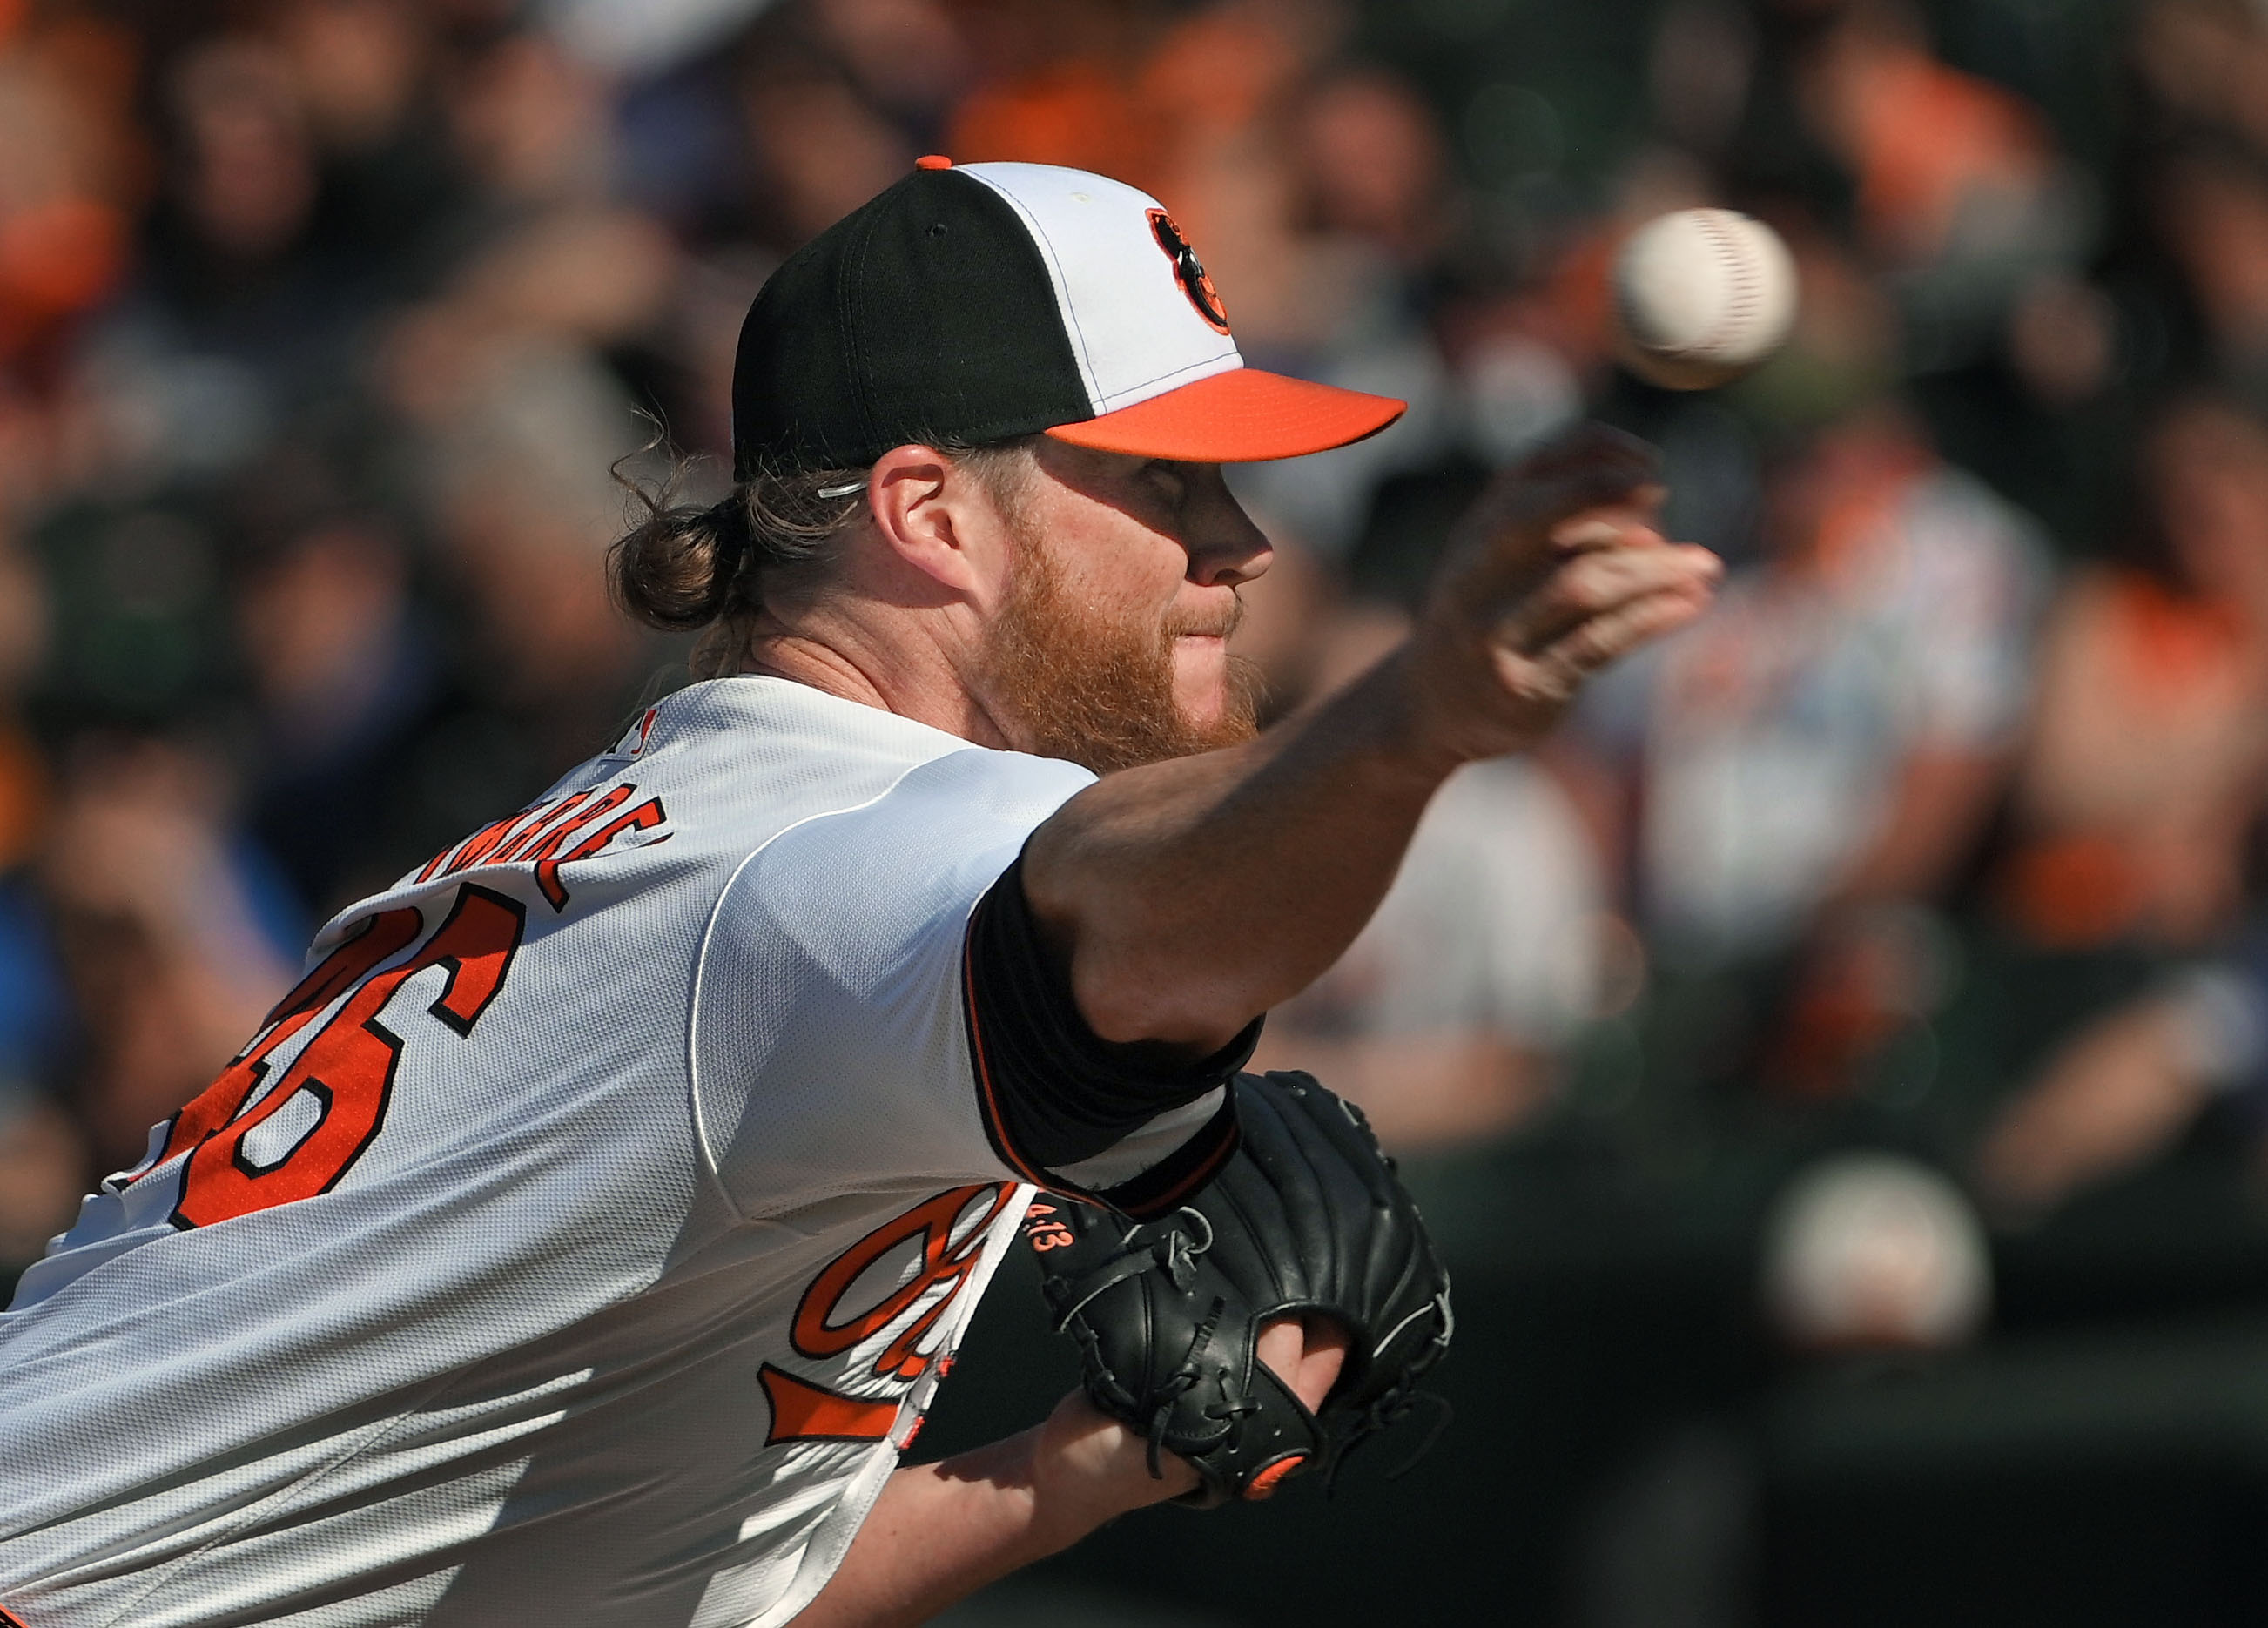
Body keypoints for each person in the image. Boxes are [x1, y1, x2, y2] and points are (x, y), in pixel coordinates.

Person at [0, 158, 1719, 1628]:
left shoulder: (699, 829)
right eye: (1164, 479)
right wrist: (1409, 725)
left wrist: (1070, 1474)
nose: (1242, 541)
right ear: (931, 515)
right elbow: (1114, 906)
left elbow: (678, 1580)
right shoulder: (848, 846)